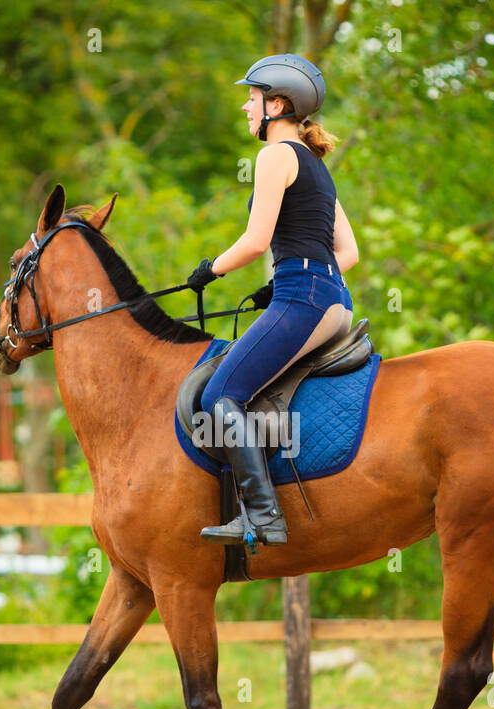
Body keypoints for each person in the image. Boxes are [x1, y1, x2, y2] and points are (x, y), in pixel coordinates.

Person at [186, 52, 359, 548]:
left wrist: (208, 270)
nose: (245, 107)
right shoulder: (315, 165)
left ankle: (262, 517)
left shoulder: (275, 155)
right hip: (331, 299)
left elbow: (256, 240)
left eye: (252, 97)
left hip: (304, 299)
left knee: (220, 394)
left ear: (277, 104)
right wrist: (274, 287)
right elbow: (348, 252)